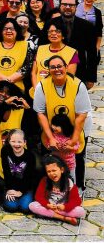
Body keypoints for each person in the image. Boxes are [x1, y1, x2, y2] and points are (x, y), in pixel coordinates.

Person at [34, 54, 92, 190]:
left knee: (77, 160)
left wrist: (73, 139)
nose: (57, 70)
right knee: (51, 161)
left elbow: (81, 115)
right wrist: (50, 138)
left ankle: (77, 189)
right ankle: (52, 191)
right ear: (48, 70)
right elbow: (40, 113)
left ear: (66, 67)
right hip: (51, 131)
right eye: (52, 67)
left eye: (59, 66)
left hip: (74, 130)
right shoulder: (42, 86)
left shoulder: (78, 85)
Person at [28, 155, 85, 225]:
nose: (52, 173)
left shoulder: (69, 183)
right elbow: (38, 196)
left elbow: (77, 200)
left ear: (62, 170)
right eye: (49, 171)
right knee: (32, 205)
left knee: (81, 211)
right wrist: (47, 205)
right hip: (50, 205)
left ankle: (49, 214)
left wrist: (65, 207)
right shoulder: (44, 181)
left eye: (54, 170)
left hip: (62, 207)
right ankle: (63, 218)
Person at [0, 129, 38, 213]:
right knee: (11, 207)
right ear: (9, 142)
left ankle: (25, 198)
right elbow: (6, 172)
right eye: (13, 141)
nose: (16, 144)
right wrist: (9, 189)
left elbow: (30, 177)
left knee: (25, 208)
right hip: (11, 186)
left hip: (25, 187)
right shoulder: (5, 151)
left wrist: (21, 192)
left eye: (19, 142)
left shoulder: (30, 156)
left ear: (24, 142)